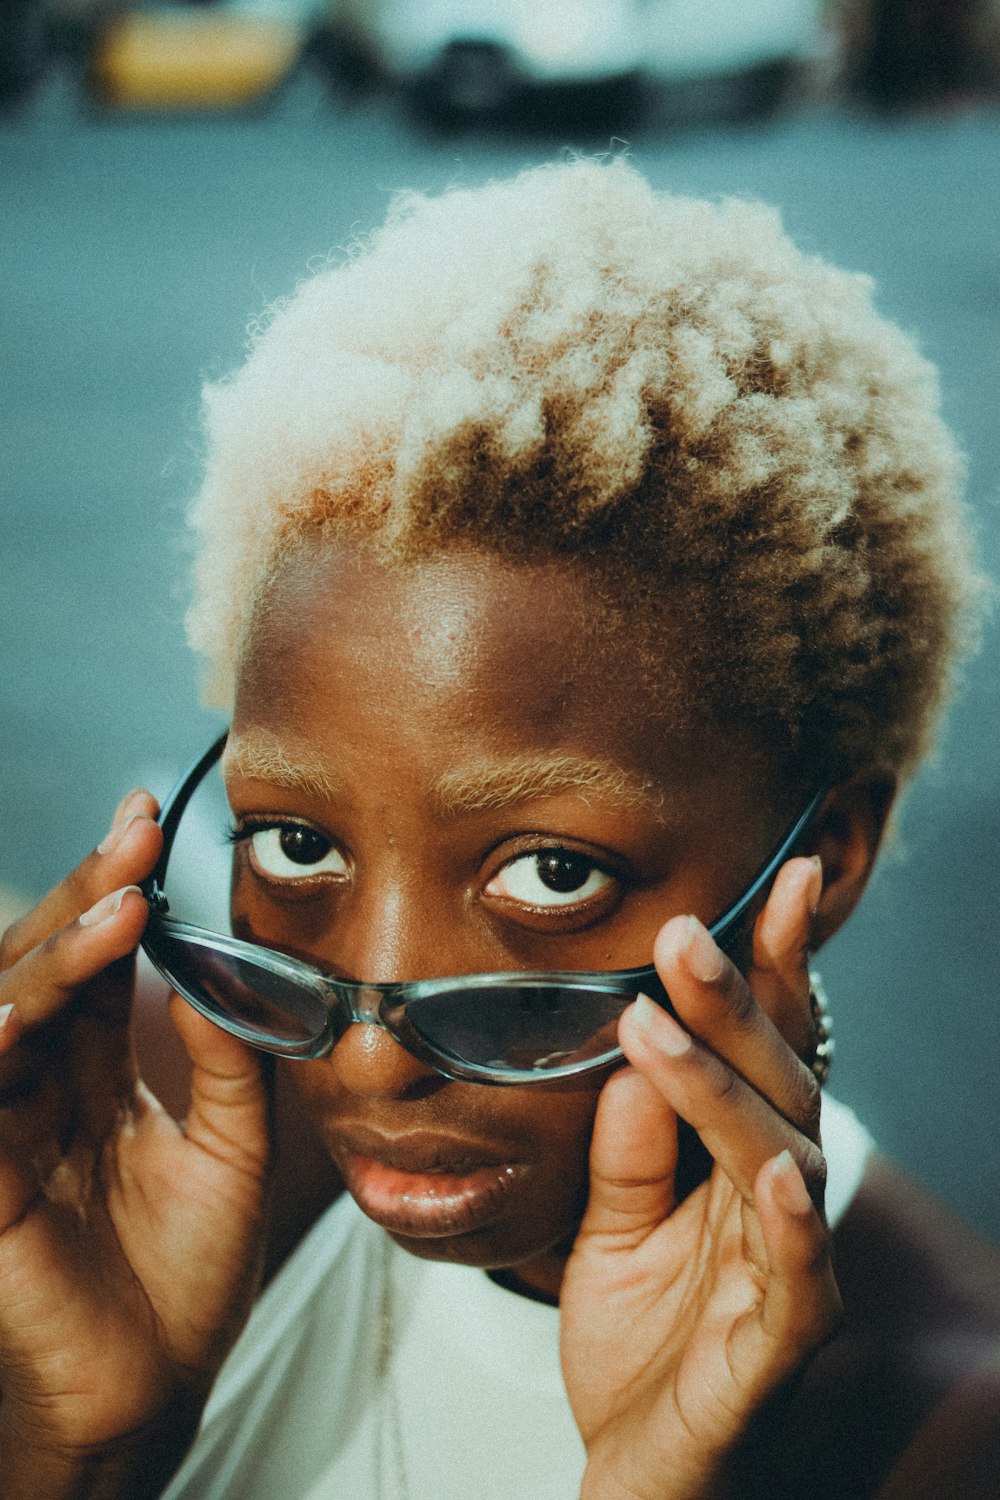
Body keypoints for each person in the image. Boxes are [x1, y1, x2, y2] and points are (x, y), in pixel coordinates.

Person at [0, 157, 996, 1500]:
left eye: (551, 871)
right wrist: (70, 1449)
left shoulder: (944, 1426)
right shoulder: (119, 1145)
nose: (362, 1056)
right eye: (297, 847)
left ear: (820, 860)